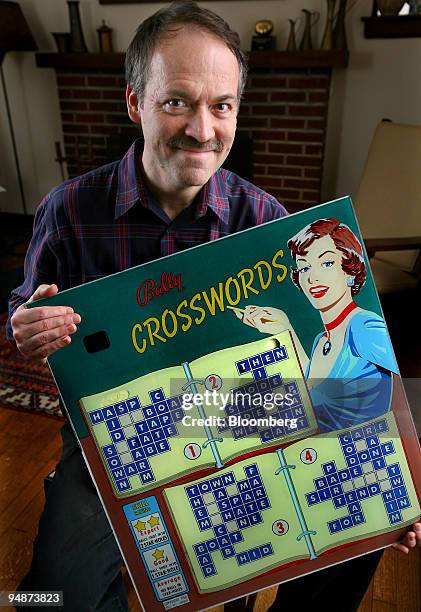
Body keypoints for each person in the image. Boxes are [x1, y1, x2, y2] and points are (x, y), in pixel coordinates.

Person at [6, 2, 420, 611]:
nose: (203, 129)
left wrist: (393, 480)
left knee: (370, 526)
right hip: (117, 430)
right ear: (134, 104)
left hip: (244, 411)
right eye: (177, 101)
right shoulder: (69, 210)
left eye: (222, 106)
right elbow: (21, 310)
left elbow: (324, 376)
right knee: (49, 595)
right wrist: (25, 324)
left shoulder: (267, 222)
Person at [235, 218, 399, 432]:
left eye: (327, 263)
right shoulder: (321, 341)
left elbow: (407, 397)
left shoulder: (364, 327)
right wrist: (285, 330)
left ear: (349, 269)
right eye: (304, 269)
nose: (313, 277)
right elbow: (313, 397)